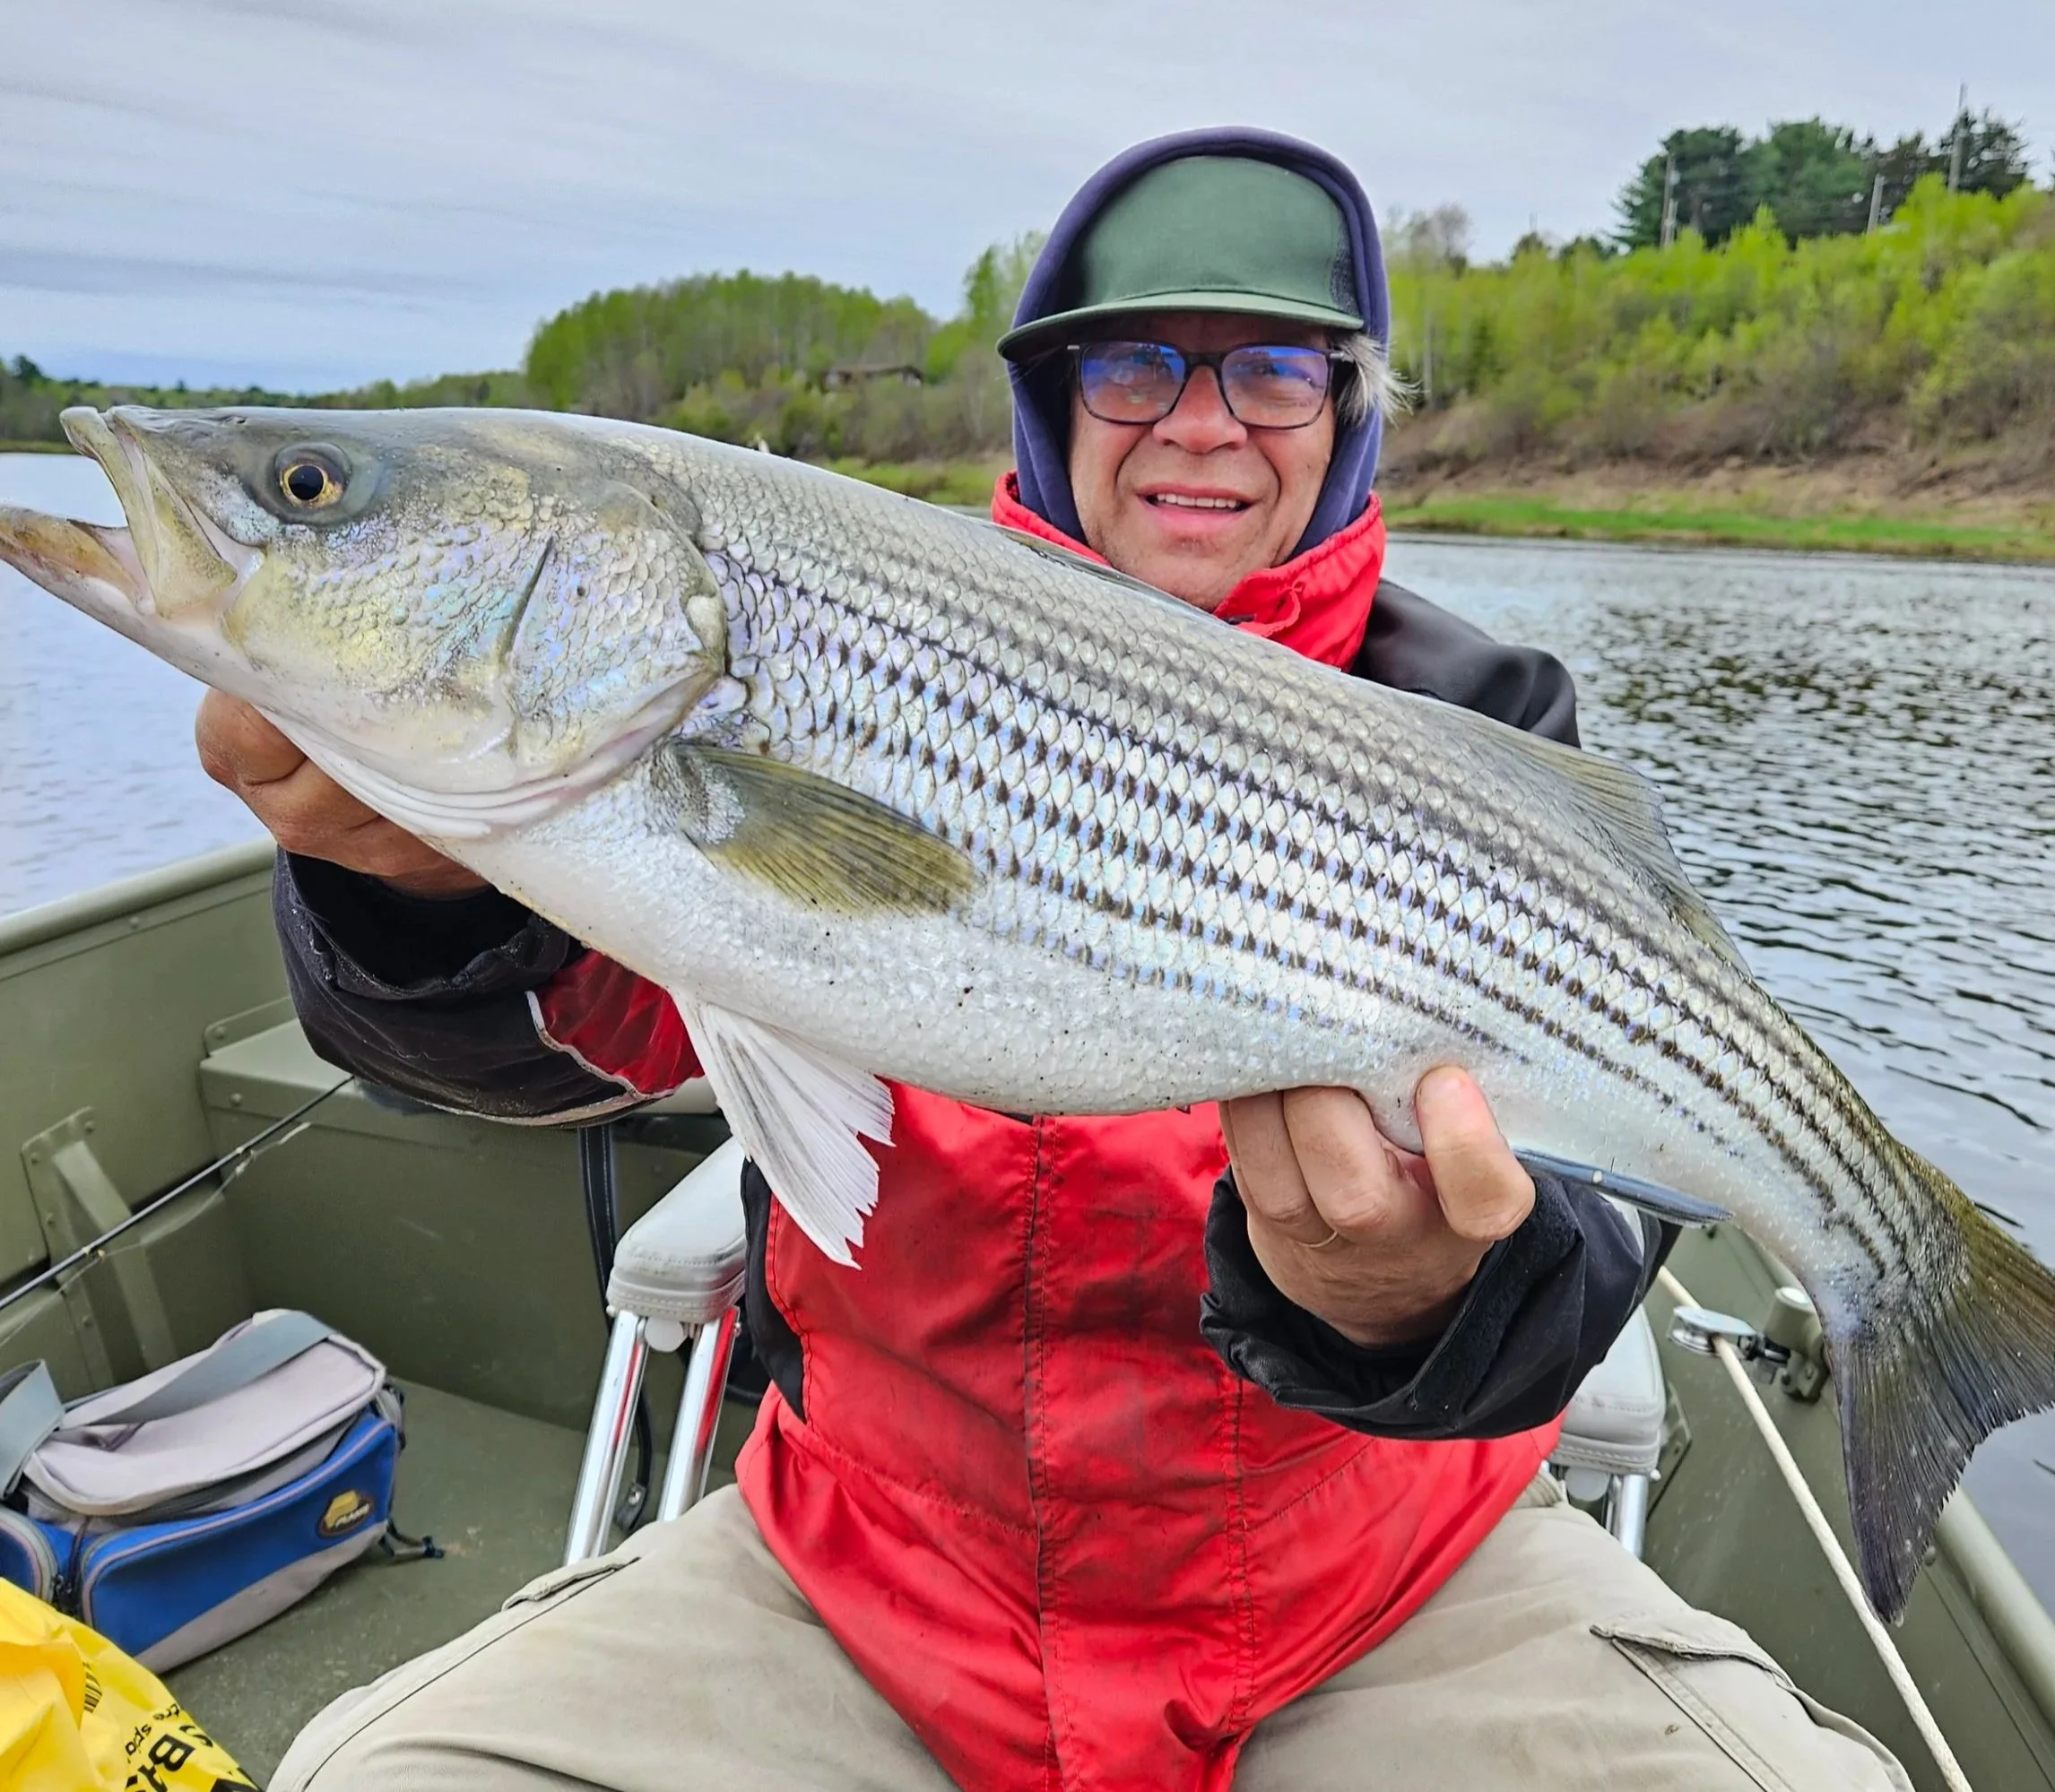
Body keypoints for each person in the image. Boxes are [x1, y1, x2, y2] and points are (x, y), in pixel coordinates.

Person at [209, 129, 1908, 1792]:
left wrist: (1406, 1302)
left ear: (1348, 413)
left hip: (1381, 1588)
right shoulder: (837, 641)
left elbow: (1603, 1234)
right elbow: (561, 1043)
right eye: (1136, 367)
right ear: (1054, 400)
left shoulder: (1477, 720)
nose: (1201, 424)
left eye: (1275, 375)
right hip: (868, 1575)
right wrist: (414, 896)